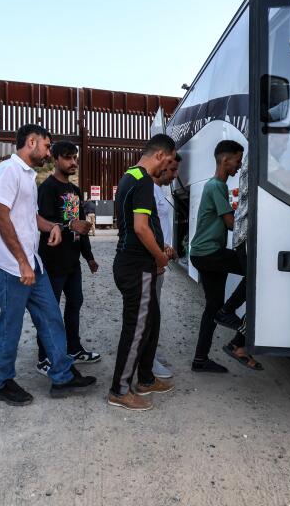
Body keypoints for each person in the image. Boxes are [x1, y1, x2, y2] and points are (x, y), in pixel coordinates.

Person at [0, 124, 96, 407]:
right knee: (11, 323)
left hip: (30, 262)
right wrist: (21, 262)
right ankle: (1, 382)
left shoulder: (27, 175)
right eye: (47, 146)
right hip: (10, 263)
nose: (48, 152)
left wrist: (53, 226)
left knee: (51, 316)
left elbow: (31, 216)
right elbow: (1, 215)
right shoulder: (9, 170)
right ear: (31, 142)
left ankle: (62, 375)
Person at [107, 134, 177, 412]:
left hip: (135, 264)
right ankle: (119, 390)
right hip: (136, 267)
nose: (167, 170)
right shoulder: (143, 180)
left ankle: (146, 378)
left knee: (150, 322)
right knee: (136, 329)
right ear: (160, 155)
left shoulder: (131, 176)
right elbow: (140, 228)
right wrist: (160, 257)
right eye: (169, 162)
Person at [188, 140, 259, 373]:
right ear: (225, 160)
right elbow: (231, 224)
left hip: (203, 253)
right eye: (238, 161)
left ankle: (200, 359)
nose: (239, 166)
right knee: (254, 271)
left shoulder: (216, 186)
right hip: (209, 253)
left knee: (212, 309)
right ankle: (228, 312)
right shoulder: (216, 186)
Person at [34, 140, 100, 377]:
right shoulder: (47, 188)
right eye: (68, 157)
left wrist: (89, 257)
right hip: (52, 262)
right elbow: (41, 223)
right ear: (55, 159)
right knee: (49, 311)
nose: (73, 162)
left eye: (75, 158)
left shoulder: (74, 191)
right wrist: (69, 224)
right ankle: (44, 357)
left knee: (75, 305)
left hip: (73, 263)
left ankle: (73, 348)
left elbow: (81, 228)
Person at [150, 154, 181, 380]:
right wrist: (160, 252)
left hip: (160, 258)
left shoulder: (158, 190)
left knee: (155, 309)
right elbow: (145, 228)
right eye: (171, 170)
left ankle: (149, 353)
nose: (174, 175)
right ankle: (146, 362)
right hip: (153, 260)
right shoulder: (148, 190)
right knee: (149, 312)